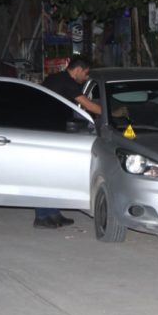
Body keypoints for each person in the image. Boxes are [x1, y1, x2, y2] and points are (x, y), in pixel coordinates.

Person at [34, 55, 103, 229]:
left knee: (55, 174)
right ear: (78, 70)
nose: (86, 78)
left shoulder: (54, 78)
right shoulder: (68, 83)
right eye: (86, 74)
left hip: (51, 130)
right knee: (46, 175)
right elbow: (88, 105)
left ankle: (53, 213)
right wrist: (111, 113)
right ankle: (41, 216)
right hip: (48, 133)